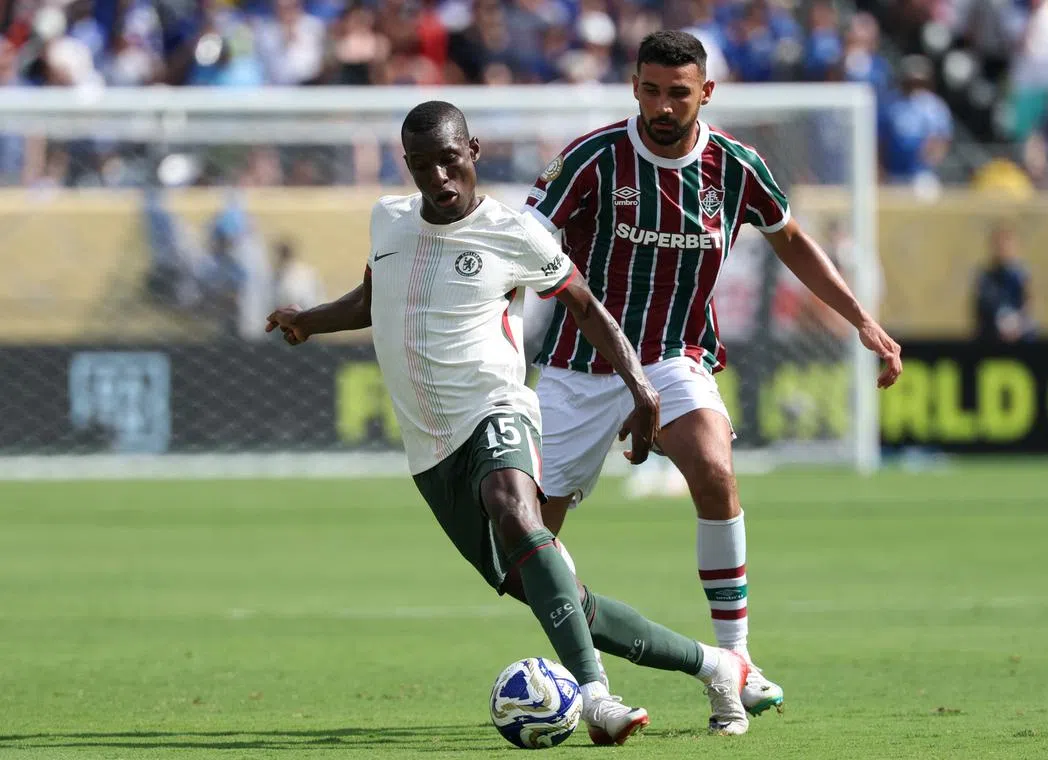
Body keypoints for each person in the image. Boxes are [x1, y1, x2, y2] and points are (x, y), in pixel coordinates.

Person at [265, 100, 758, 742]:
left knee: (514, 505)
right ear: (406, 166)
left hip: (498, 407)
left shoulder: (515, 233)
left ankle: (595, 696)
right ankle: (715, 666)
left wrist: (640, 386)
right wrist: (310, 320)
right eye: (422, 167)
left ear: (473, 151)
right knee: (554, 596)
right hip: (432, 450)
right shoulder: (387, 221)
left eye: (449, 161)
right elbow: (374, 297)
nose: (438, 179)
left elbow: (583, 305)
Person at [523, 30, 904, 725]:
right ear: (635, 86)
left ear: (706, 92)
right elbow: (521, 245)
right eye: (650, 90)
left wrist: (860, 320)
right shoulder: (593, 159)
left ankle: (738, 661)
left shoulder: (735, 166)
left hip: (675, 355)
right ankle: (590, 678)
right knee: (527, 548)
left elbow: (790, 239)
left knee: (714, 469)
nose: (662, 106)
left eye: (678, 92)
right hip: (581, 366)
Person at [974, 222, 1034, 343]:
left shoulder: (1020, 274)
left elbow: (1028, 302)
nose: (1003, 248)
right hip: (990, 331)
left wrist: (1017, 325)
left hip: (1019, 330)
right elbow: (980, 308)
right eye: (999, 244)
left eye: (1007, 244)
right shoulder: (985, 276)